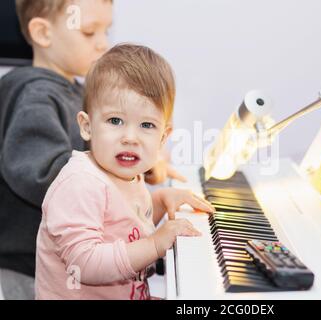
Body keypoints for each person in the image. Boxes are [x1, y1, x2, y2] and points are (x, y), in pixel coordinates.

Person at [35, 44, 214, 300]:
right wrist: (154, 245)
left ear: (163, 137)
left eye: (146, 125)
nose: (130, 137)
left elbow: (122, 224)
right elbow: (84, 263)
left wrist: (160, 202)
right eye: (115, 121)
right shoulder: (80, 183)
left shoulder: (127, 175)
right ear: (87, 126)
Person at [0, 0, 113, 300]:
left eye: (106, 30)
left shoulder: (73, 92)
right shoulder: (35, 97)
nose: (103, 44)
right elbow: (47, 175)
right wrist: (117, 166)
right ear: (43, 33)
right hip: (27, 273)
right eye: (89, 32)